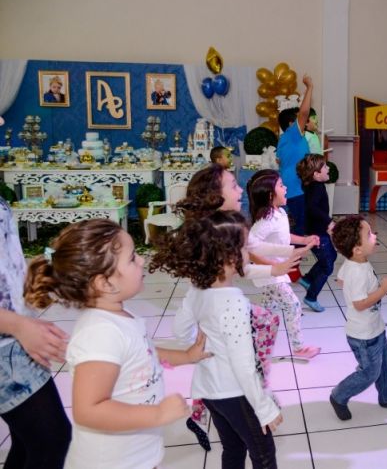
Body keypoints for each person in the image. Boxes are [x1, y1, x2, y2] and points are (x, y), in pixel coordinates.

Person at [24, 219, 210, 469]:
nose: (142, 260)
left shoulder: (119, 318)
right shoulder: (100, 333)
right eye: (133, 258)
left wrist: (186, 356)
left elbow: (143, 353)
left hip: (135, 454)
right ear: (105, 283)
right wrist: (157, 414)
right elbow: (89, 410)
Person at [153, 210, 283, 469]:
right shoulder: (233, 302)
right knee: (263, 453)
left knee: (233, 448)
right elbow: (244, 365)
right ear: (228, 256)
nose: (248, 253)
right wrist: (265, 408)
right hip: (235, 392)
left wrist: (200, 342)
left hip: (208, 390)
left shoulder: (198, 290)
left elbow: (180, 331)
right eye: (245, 247)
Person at [0, 173, 71, 468]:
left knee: (30, 441)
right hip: (6, 341)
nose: (2, 122)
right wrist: (18, 325)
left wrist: (44, 264)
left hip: (12, 333)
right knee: (50, 439)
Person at [328, 216, 387, 421]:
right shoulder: (357, 272)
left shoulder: (355, 262)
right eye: (369, 234)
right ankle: (339, 395)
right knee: (369, 372)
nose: (374, 235)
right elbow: (360, 304)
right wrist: (383, 290)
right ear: (357, 249)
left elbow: (340, 279)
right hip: (363, 336)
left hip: (375, 328)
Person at [246, 169, 321, 359]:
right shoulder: (265, 220)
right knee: (293, 305)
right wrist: (271, 267)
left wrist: (305, 240)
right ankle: (298, 348)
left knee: (266, 311)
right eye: (281, 185)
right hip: (271, 273)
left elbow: (284, 237)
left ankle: (252, 345)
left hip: (275, 272)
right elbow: (249, 247)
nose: (286, 187)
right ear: (271, 195)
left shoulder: (278, 212)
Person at [296, 154, 337, 313]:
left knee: (331, 256)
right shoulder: (317, 187)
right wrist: (329, 221)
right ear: (316, 174)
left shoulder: (312, 185)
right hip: (317, 231)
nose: (328, 168)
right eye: (325, 166)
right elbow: (312, 208)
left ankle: (308, 279)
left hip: (317, 229)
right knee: (327, 266)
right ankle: (311, 297)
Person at [276, 75, 314, 234]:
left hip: (291, 188)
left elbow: (279, 162)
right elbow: (304, 112)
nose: (306, 122)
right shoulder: (293, 134)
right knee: (297, 231)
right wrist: (309, 87)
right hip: (294, 190)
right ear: (292, 124)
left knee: (292, 230)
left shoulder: (284, 139)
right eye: (300, 120)